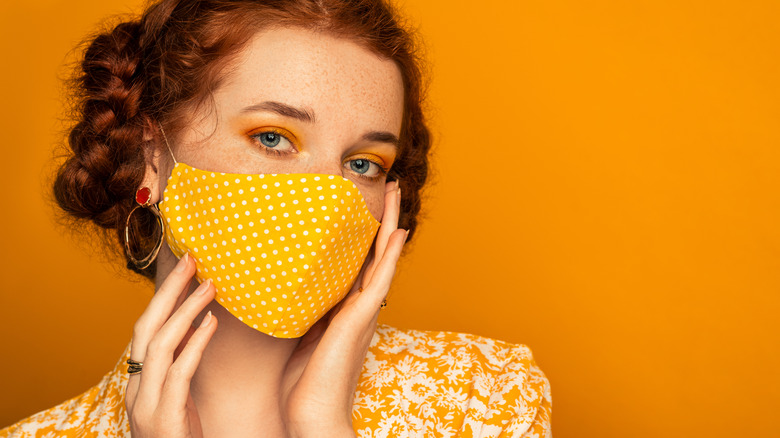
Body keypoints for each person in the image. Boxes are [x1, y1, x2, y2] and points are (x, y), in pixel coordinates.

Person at [0, 0, 552, 436]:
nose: (328, 197)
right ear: (151, 153)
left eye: (362, 163)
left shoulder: (487, 396)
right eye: (273, 138)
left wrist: (325, 431)